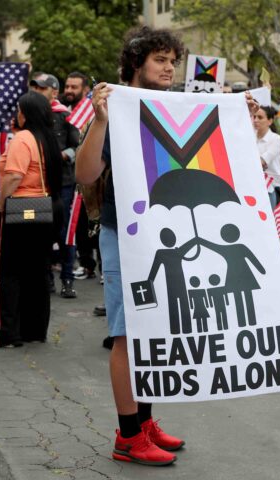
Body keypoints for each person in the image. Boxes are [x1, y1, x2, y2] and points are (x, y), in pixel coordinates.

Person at [75, 26, 187, 467]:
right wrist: (100, 121)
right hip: (124, 236)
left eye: (172, 61)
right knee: (126, 336)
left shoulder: (174, 108)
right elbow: (85, 175)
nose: (168, 68)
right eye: (160, 60)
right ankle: (127, 436)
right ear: (136, 64)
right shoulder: (113, 107)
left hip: (165, 236)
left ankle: (144, 421)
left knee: (154, 334)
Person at [0, 91, 63, 348]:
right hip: (46, 210)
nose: (17, 114)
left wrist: (1, 205)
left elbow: (13, 176)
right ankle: (33, 330)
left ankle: (3, 332)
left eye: (20, 110)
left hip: (20, 210)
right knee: (36, 271)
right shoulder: (47, 138)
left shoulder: (23, 138)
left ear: (28, 114)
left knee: (5, 271)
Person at [30, 73, 80, 298]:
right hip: (39, 183)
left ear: (54, 92)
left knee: (65, 232)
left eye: (43, 88)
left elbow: (78, 146)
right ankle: (46, 279)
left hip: (65, 183)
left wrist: (62, 156)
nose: (38, 92)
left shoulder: (66, 116)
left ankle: (67, 279)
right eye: (36, 89)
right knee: (42, 232)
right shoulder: (31, 117)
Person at [253, 106, 280, 208]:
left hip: (273, 188)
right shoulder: (250, 137)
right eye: (254, 117)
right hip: (254, 187)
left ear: (270, 121)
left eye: (260, 117)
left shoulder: (276, 139)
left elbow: (262, 162)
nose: (256, 120)